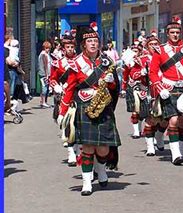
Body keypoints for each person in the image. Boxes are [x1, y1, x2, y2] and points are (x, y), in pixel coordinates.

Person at [57, 23, 121, 196]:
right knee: (87, 147)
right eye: (90, 41)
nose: (93, 43)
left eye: (95, 41)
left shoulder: (107, 61)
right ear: (83, 45)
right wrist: (62, 112)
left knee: (103, 149)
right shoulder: (76, 63)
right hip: (85, 106)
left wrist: (111, 81)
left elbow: (115, 88)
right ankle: (87, 183)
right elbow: (70, 88)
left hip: (104, 106)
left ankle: (101, 169)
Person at [149, 17, 183, 165]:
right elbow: (153, 73)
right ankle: (176, 154)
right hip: (169, 88)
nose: (175, 35)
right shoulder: (160, 50)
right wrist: (160, 88)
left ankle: (179, 148)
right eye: (172, 32)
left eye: (177, 32)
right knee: (173, 120)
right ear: (167, 34)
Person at [50, 33, 79, 165]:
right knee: (68, 124)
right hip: (65, 96)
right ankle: (71, 153)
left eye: (72, 46)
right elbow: (52, 79)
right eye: (68, 47)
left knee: (79, 124)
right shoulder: (58, 63)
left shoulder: (80, 61)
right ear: (63, 48)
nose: (70, 49)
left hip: (79, 96)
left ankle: (79, 150)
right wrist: (56, 86)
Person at [121, 42, 148, 140]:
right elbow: (125, 76)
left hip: (143, 87)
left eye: (136, 51)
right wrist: (123, 89)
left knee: (143, 111)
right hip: (131, 87)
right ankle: (136, 131)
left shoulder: (145, 60)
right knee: (134, 111)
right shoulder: (129, 62)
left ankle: (140, 127)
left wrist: (144, 73)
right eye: (133, 51)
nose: (134, 53)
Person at [38, 41, 53, 108]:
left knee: (45, 87)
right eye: (47, 48)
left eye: (49, 48)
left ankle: (43, 101)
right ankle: (43, 102)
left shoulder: (46, 54)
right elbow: (45, 65)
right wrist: (47, 75)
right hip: (44, 74)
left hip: (45, 73)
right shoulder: (44, 54)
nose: (48, 49)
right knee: (45, 88)